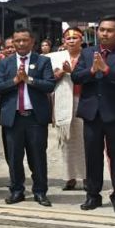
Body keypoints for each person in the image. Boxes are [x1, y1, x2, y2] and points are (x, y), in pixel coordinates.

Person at [72, 15, 115, 215]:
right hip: (91, 113)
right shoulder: (87, 52)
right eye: (101, 30)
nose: (104, 33)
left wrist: (107, 70)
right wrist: (92, 71)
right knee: (92, 156)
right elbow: (76, 76)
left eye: (109, 30)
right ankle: (93, 195)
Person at [0, 28, 56, 206]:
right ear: (13, 43)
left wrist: (29, 80)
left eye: (24, 40)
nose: (21, 44)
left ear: (32, 42)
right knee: (14, 157)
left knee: (37, 157)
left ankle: (40, 191)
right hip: (13, 118)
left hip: (35, 118)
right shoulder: (5, 63)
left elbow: (49, 85)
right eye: (17, 41)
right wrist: (14, 81)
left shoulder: (43, 61)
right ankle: (17, 191)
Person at [49, 27, 86, 191]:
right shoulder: (55, 57)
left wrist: (74, 72)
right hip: (64, 100)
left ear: (81, 40)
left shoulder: (89, 55)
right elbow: (48, 78)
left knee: (84, 141)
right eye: (68, 38)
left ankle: (86, 177)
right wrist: (60, 73)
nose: (71, 41)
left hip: (84, 100)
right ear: (64, 41)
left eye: (75, 38)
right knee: (66, 141)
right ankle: (69, 177)